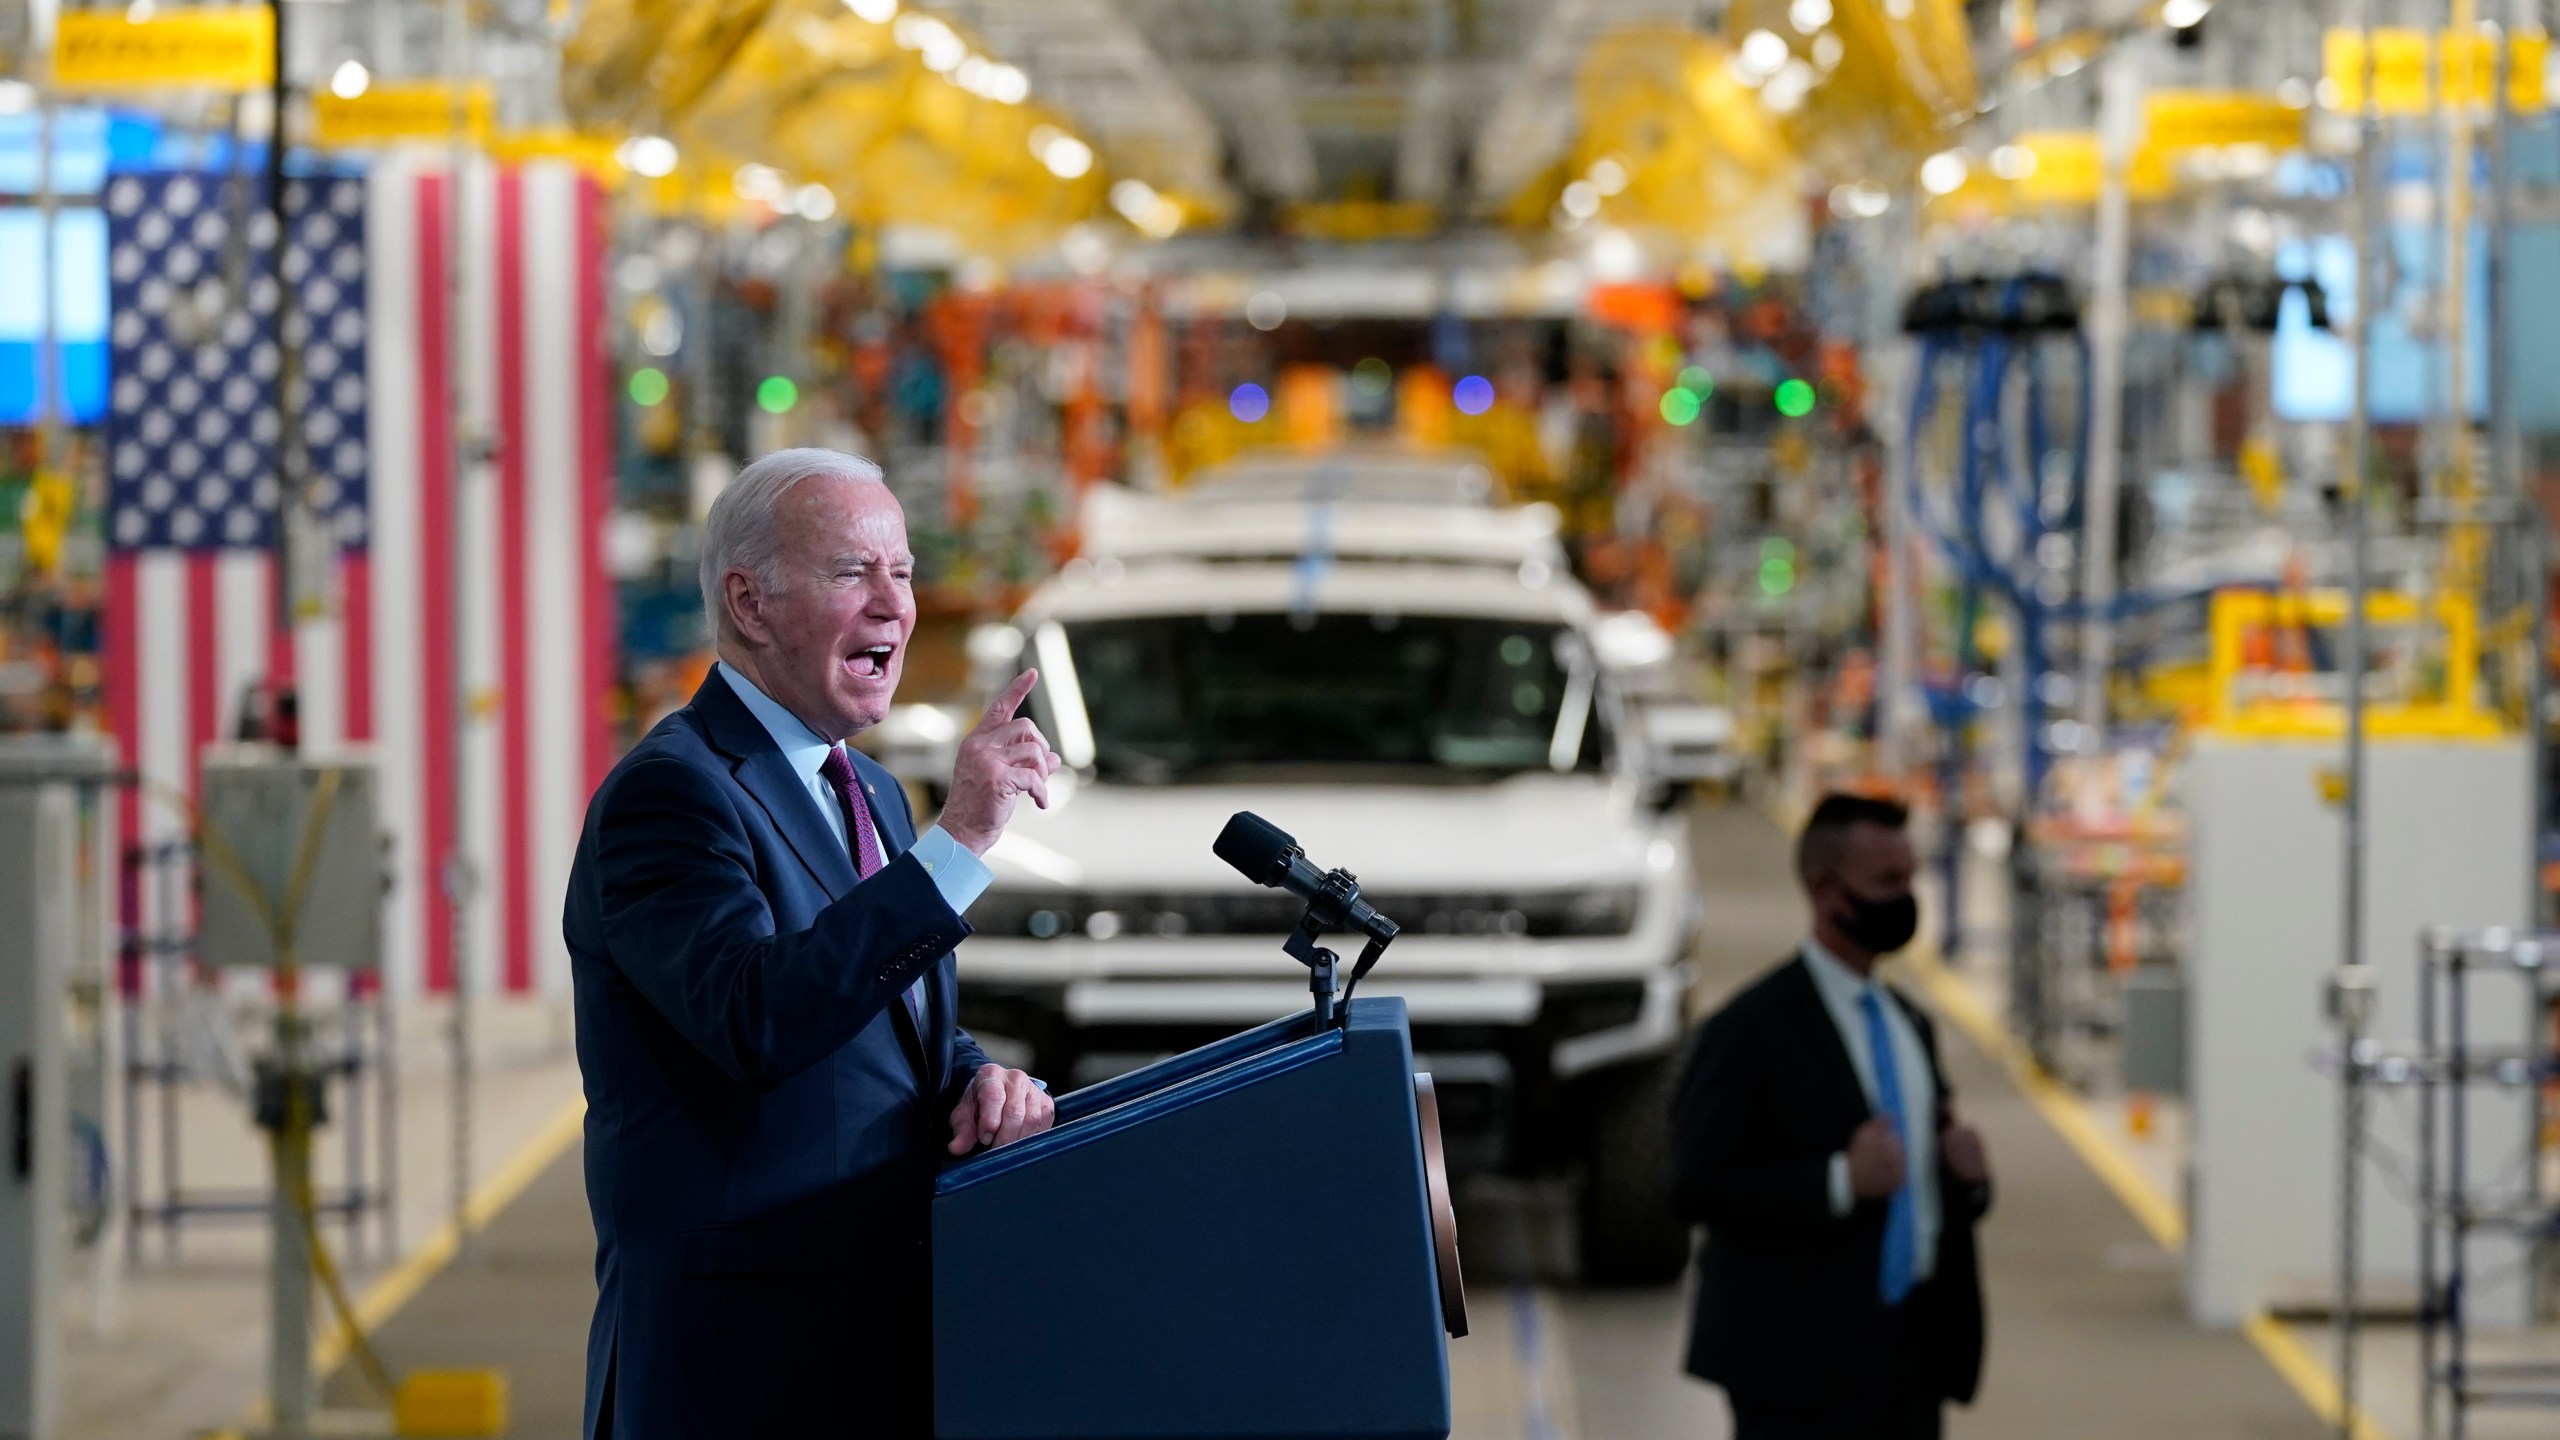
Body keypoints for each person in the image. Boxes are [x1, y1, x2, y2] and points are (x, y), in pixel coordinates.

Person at [563, 448, 1063, 1439]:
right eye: (853, 573)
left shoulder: (868, 790)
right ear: (750, 604)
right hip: (737, 1374)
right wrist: (958, 845)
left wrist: (971, 1074)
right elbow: (755, 1018)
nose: (894, 606)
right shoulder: (670, 797)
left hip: (873, 1352)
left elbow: (879, 1011)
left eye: (903, 572)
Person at [1669, 793, 1993, 1440]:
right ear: (1825, 890)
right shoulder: (1748, 1032)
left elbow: (1924, 1194)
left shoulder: (1910, 1025)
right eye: (1887, 882)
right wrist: (1839, 1179)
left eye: (1910, 877)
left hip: (1911, 1359)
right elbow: (1695, 1187)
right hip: (1796, 1369)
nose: (1907, 897)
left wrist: (1968, 1178)